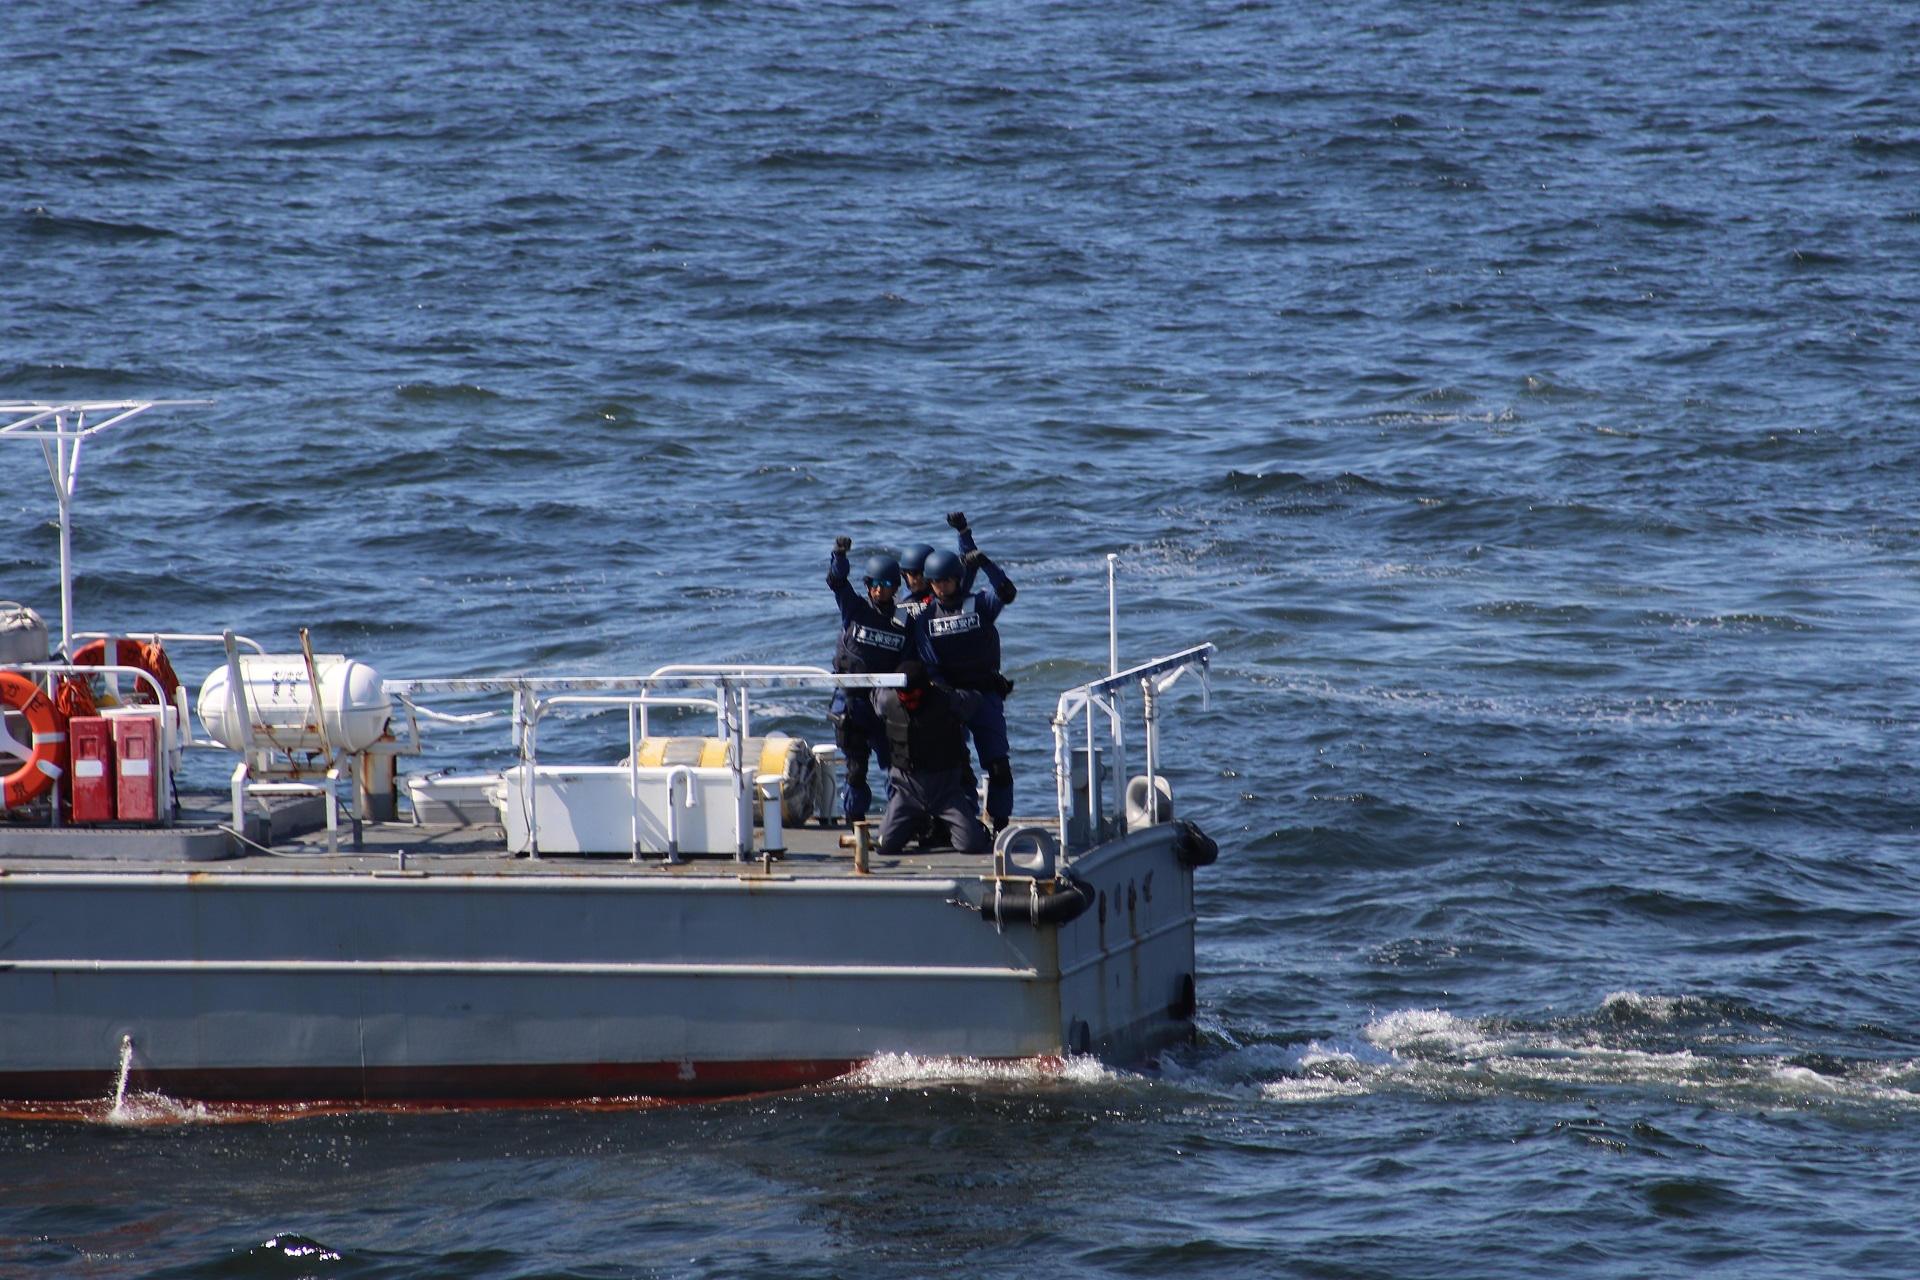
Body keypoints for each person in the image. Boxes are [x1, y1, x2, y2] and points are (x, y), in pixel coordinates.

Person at [913, 512, 1017, 831]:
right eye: (936, 581)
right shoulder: (925, 618)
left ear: (958, 579)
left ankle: (1000, 824)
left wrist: (984, 561)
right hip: (952, 700)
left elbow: (1006, 591)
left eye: (947, 579)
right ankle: (965, 821)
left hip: (986, 696)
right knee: (956, 767)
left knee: (998, 766)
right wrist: (948, 699)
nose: (942, 586)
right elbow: (930, 664)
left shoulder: (979, 604)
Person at [826, 536, 908, 823]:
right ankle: (855, 820)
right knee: (856, 767)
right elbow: (837, 581)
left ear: (895, 587)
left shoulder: (903, 620)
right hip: (851, 699)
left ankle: (899, 819)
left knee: (897, 765)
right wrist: (839, 555)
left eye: (885, 584)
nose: (878, 589)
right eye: (873, 583)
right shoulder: (855, 608)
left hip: (884, 701)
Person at [872, 661, 990, 856]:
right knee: (883, 846)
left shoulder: (948, 700)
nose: (909, 702)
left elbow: (975, 699)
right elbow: (874, 693)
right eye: (904, 697)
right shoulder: (887, 701)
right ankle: (915, 824)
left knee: (972, 845)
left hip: (946, 792)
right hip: (907, 792)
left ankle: (961, 827)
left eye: (914, 696)